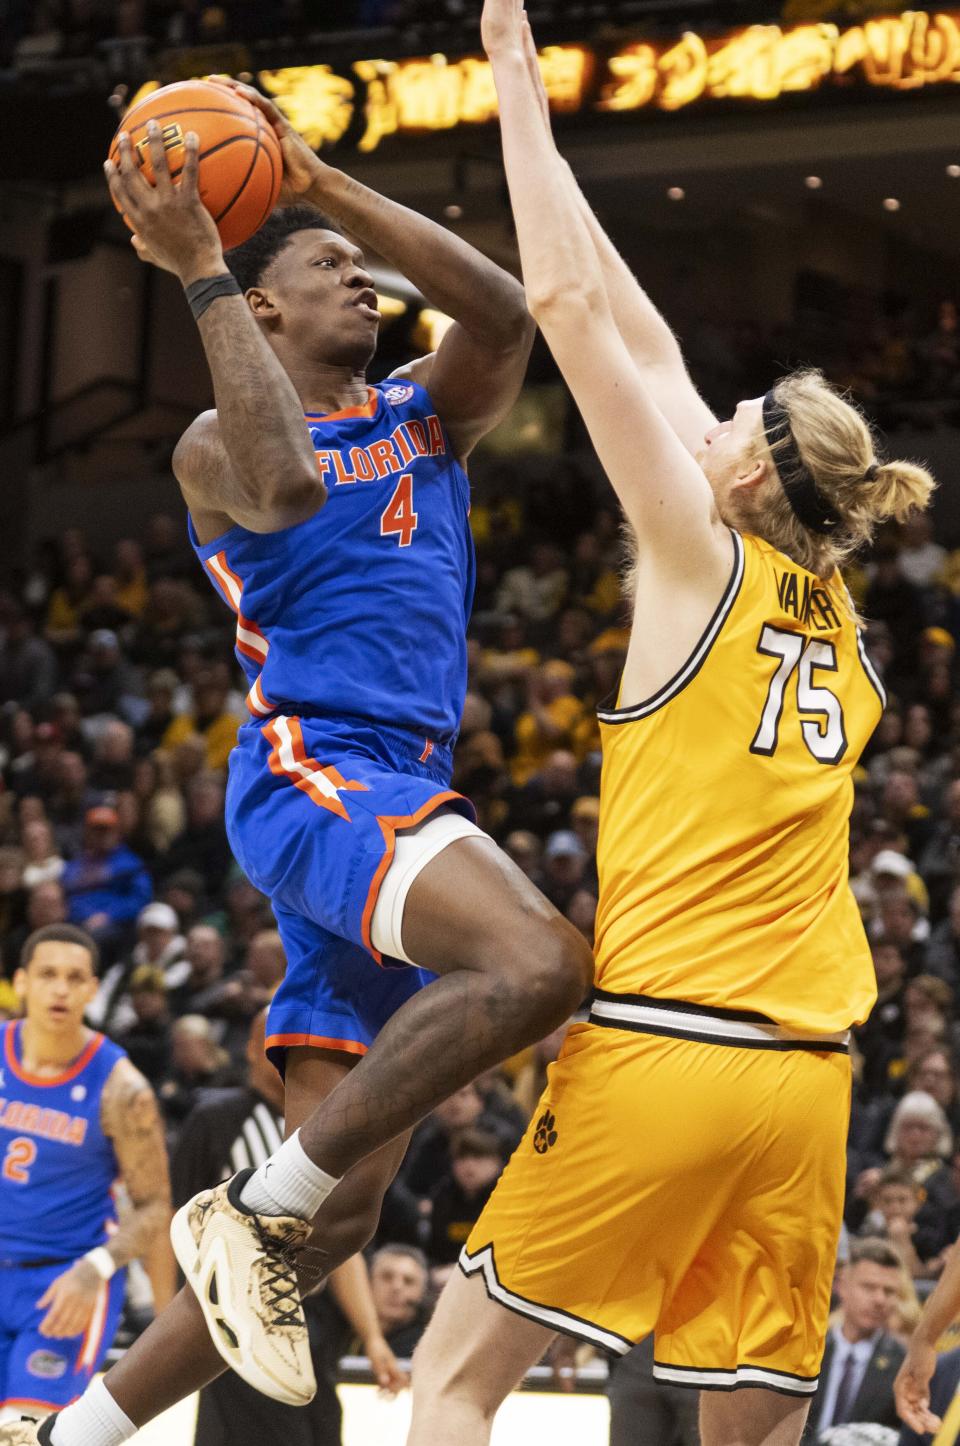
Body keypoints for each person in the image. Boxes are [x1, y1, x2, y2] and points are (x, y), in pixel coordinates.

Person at [6, 72, 592, 1446]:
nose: (366, 286)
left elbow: (508, 314)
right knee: (541, 963)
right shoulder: (215, 440)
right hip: (319, 775)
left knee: (340, 1213)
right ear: (263, 308)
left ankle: (73, 1434)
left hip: (398, 785)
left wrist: (319, 181)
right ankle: (248, 1203)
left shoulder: (420, 414)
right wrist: (209, 261)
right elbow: (282, 488)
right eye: (332, 270)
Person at [406, 6, 937, 1446]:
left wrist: (512, 68)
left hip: (666, 1045)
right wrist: (552, 145)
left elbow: (577, 320)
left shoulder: (697, 555)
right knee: (748, 1427)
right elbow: (635, 324)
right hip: (809, 1083)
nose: (701, 414)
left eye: (731, 416)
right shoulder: (837, 607)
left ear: (753, 478)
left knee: (450, 1380)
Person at [172, 1011, 405, 1446]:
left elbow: (342, 1241)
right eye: (273, 1041)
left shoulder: (330, 1129)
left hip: (314, 1320)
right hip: (237, 1314)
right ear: (250, 1048)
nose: (285, 1052)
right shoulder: (215, 1119)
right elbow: (177, 1221)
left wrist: (372, 1338)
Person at [0, 925, 170, 1427]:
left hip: (64, 1283)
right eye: (48, 975)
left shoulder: (121, 1088)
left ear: (92, 990)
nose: (60, 988)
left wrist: (97, 1267)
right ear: (22, 983)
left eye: (74, 978)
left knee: (23, 1436)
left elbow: (157, 1205)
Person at [802, 1239, 905, 1441]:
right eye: (869, 1287)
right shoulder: (808, 1351)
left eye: (889, 1291)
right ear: (842, 1286)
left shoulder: (903, 1365)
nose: (880, 1300)